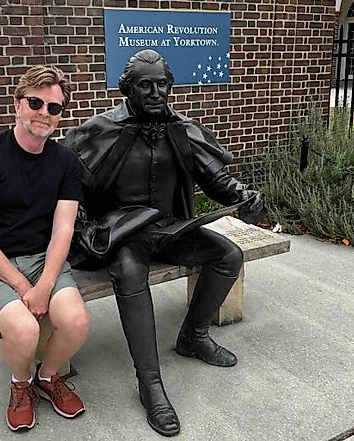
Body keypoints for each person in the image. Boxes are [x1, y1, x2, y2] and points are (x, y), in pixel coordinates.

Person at [63, 49, 266, 437]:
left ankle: (193, 336)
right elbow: (71, 186)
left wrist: (244, 195)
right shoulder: (100, 129)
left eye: (162, 84)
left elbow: (214, 178)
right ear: (128, 89)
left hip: (170, 230)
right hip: (124, 234)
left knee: (228, 255)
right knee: (128, 271)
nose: (155, 92)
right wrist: (82, 227)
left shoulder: (181, 128)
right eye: (145, 85)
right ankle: (150, 383)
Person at [0, 66, 89, 432]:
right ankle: (20, 385)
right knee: (25, 330)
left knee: (76, 322)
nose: (44, 112)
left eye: (54, 107)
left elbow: (63, 227)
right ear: (17, 104)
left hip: (42, 260)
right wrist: (23, 287)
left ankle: (48, 377)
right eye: (35, 102)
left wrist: (44, 284)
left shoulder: (65, 162)